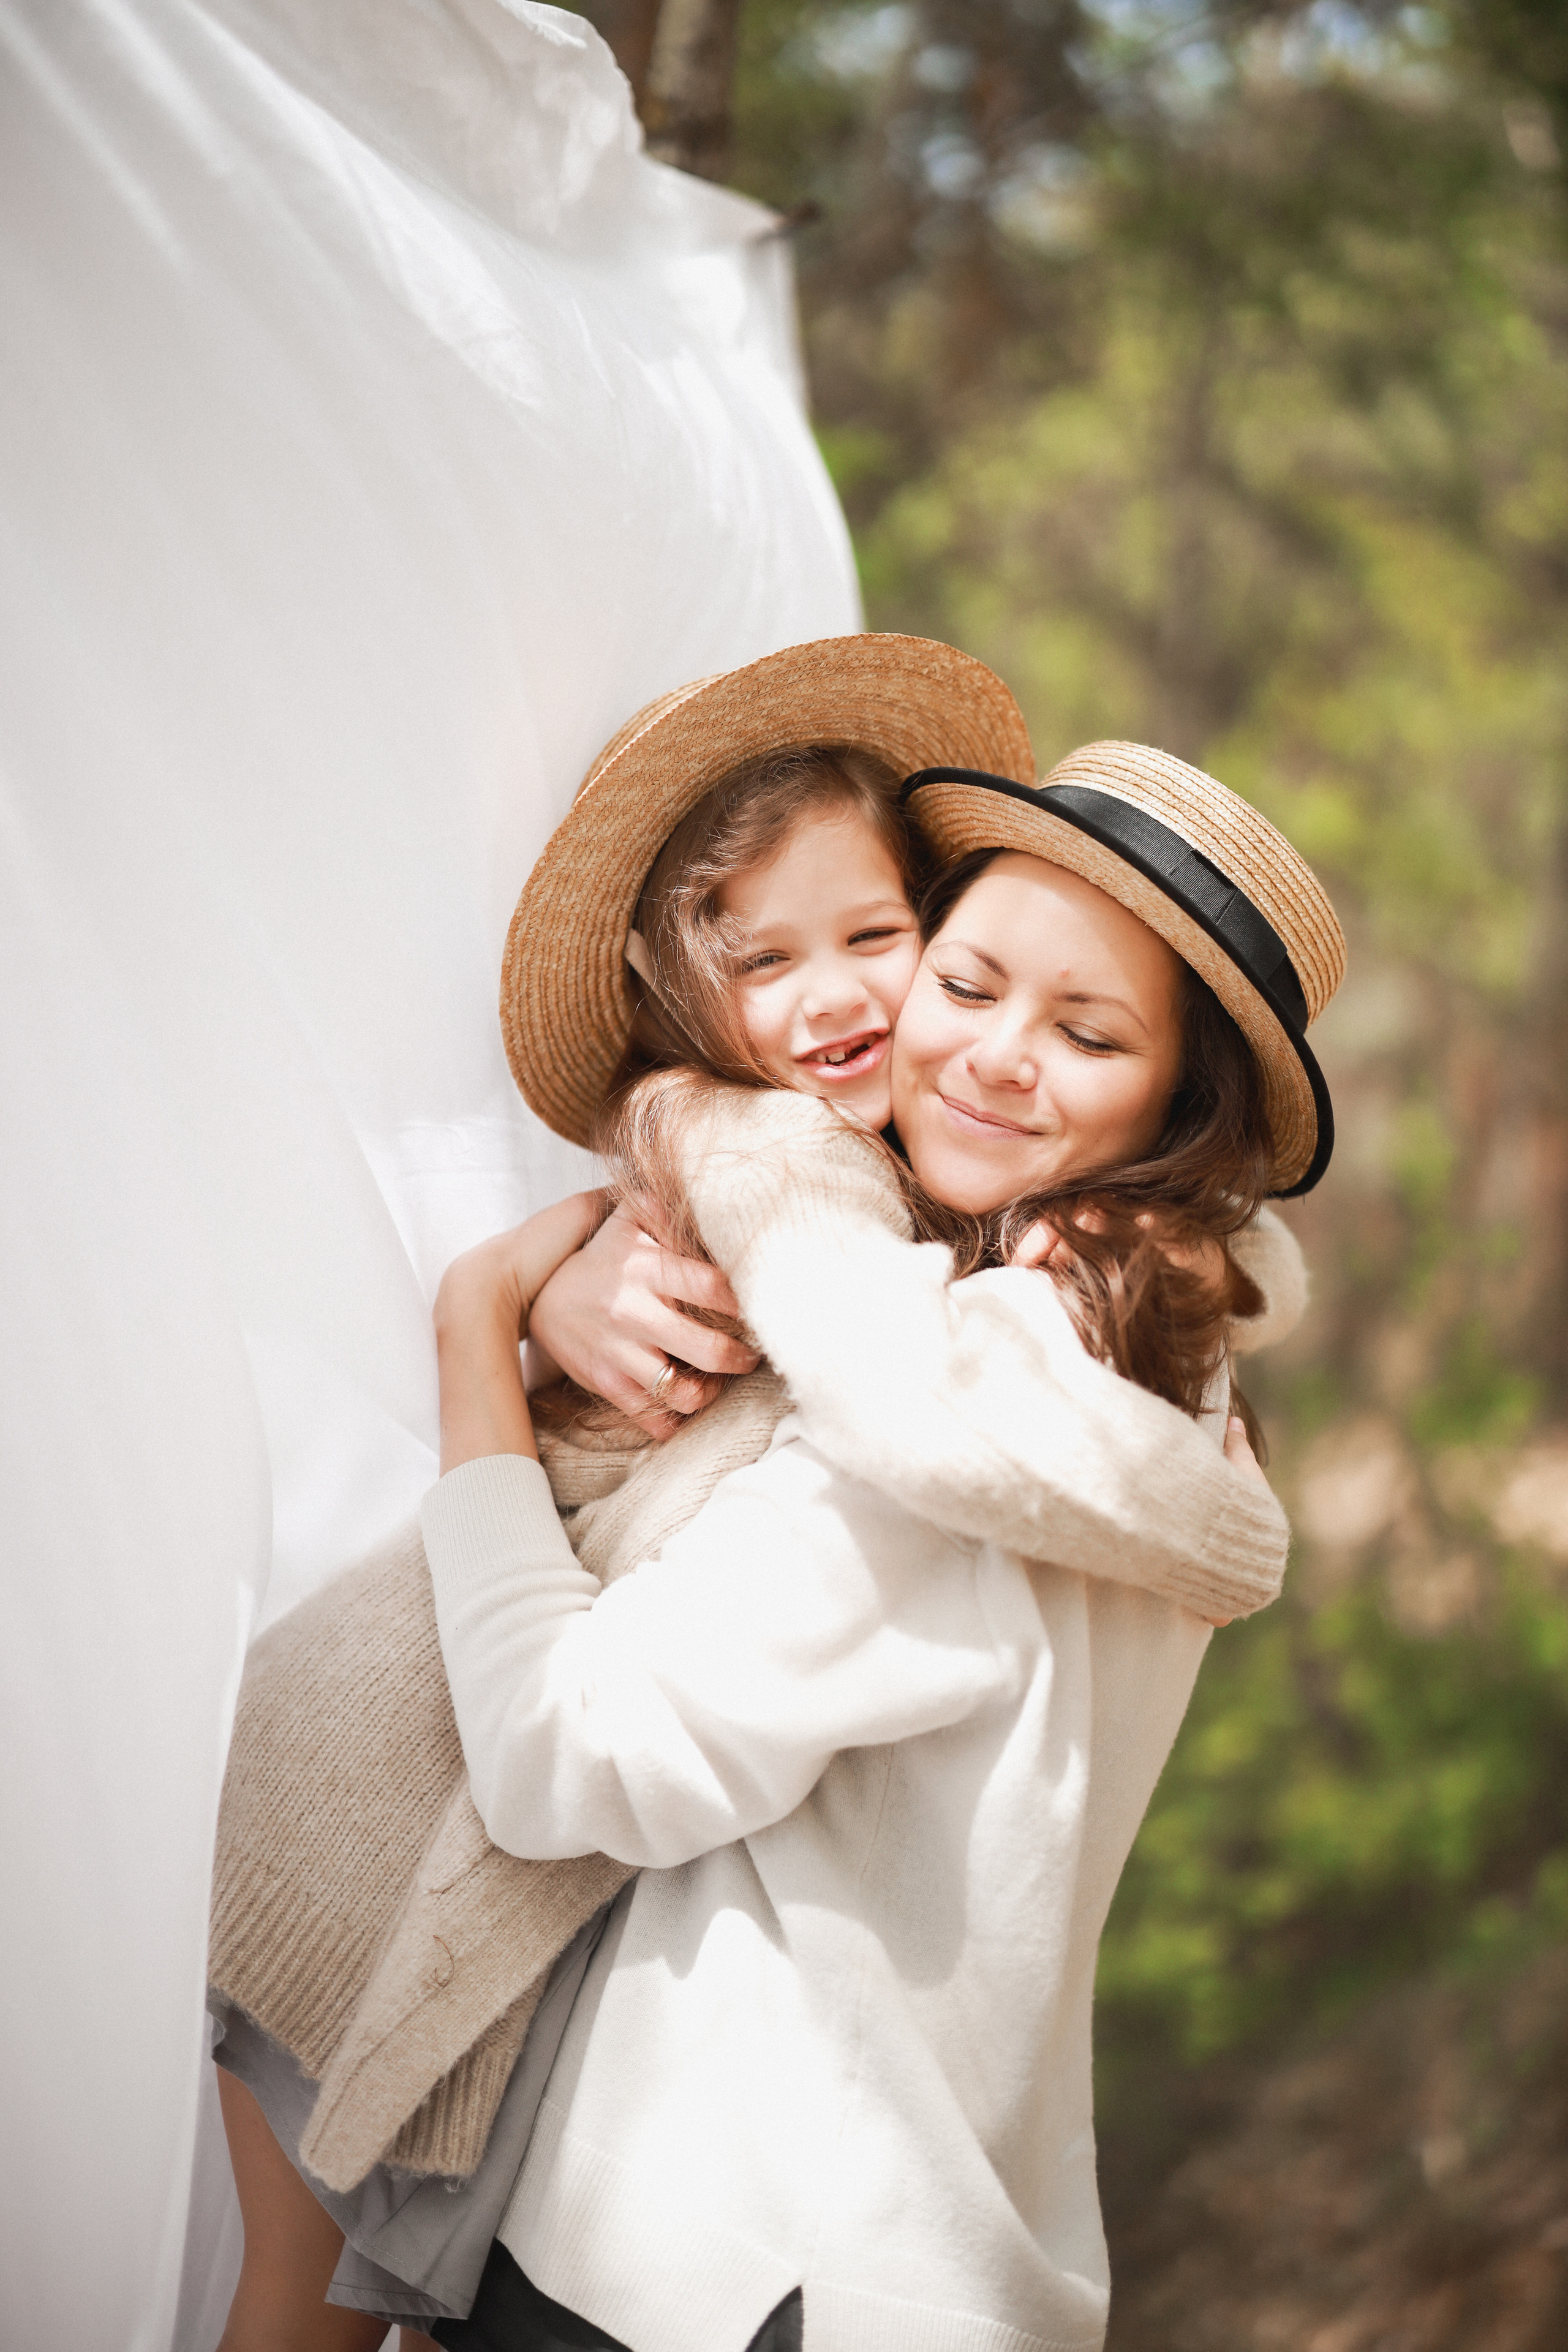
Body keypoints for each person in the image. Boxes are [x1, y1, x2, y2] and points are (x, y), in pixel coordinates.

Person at [209, 636, 1334, 2348]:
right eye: (972, 984)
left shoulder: (969, 1415)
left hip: (731, 2251)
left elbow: (563, 1756)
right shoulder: (1147, 1356)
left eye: (1088, 1034)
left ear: (1173, 1110)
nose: (992, 1056)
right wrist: (570, 1261)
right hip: (887, 2236)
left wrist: (474, 1341)